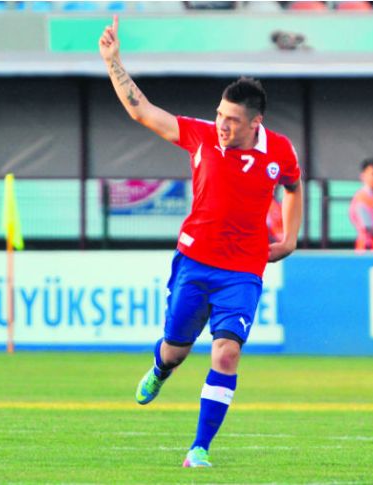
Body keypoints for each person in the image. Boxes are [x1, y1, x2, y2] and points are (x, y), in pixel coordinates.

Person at [99, 15, 304, 467]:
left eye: (232, 120)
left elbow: (293, 186)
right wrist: (114, 62)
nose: (221, 125)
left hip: (244, 270)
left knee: (226, 353)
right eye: (218, 115)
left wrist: (289, 238)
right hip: (195, 262)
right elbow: (141, 110)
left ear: (256, 123)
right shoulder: (201, 136)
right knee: (175, 349)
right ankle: (160, 369)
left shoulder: (280, 151)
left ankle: (200, 448)